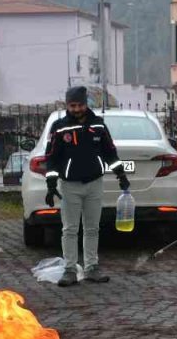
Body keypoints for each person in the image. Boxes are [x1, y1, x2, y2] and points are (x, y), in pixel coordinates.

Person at [43, 86, 129, 287]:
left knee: (92, 228)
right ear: (67, 105)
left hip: (94, 183)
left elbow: (110, 152)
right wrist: (51, 184)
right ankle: (70, 270)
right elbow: (51, 158)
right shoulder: (59, 127)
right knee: (70, 229)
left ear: (86, 104)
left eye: (80, 105)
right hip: (69, 185)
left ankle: (92, 267)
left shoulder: (98, 125)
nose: (76, 109)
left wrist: (121, 175)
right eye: (72, 105)